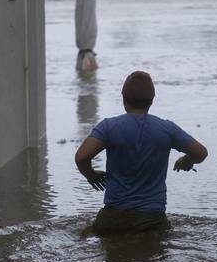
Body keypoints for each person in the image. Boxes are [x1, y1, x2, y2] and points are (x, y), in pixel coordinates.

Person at [75, 71, 208, 235]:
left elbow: (81, 157)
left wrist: (91, 175)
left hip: (113, 219)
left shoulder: (109, 127)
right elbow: (201, 153)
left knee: (86, 235)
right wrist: (187, 160)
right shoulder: (167, 129)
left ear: (123, 98)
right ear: (152, 100)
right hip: (153, 220)